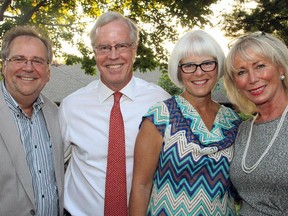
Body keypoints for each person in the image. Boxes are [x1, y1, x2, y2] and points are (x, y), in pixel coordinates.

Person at [58, 11, 170, 216]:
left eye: (121, 46)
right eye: (104, 47)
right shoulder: (71, 106)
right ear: (94, 52)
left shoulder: (160, 102)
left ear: (134, 49)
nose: (113, 55)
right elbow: (53, 167)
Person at [129, 30, 241, 215]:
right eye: (189, 65)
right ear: (179, 71)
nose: (199, 72)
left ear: (218, 66)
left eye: (207, 64)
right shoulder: (160, 116)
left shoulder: (232, 121)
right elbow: (141, 185)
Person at [0, 26, 64, 215]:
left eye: (37, 61)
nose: (28, 67)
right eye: (19, 59)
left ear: (48, 72)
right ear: (4, 66)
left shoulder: (57, 114)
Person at [224, 31, 288, 215]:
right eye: (242, 72)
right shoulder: (243, 130)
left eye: (260, 66)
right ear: (236, 83)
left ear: (281, 68)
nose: (252, 79)